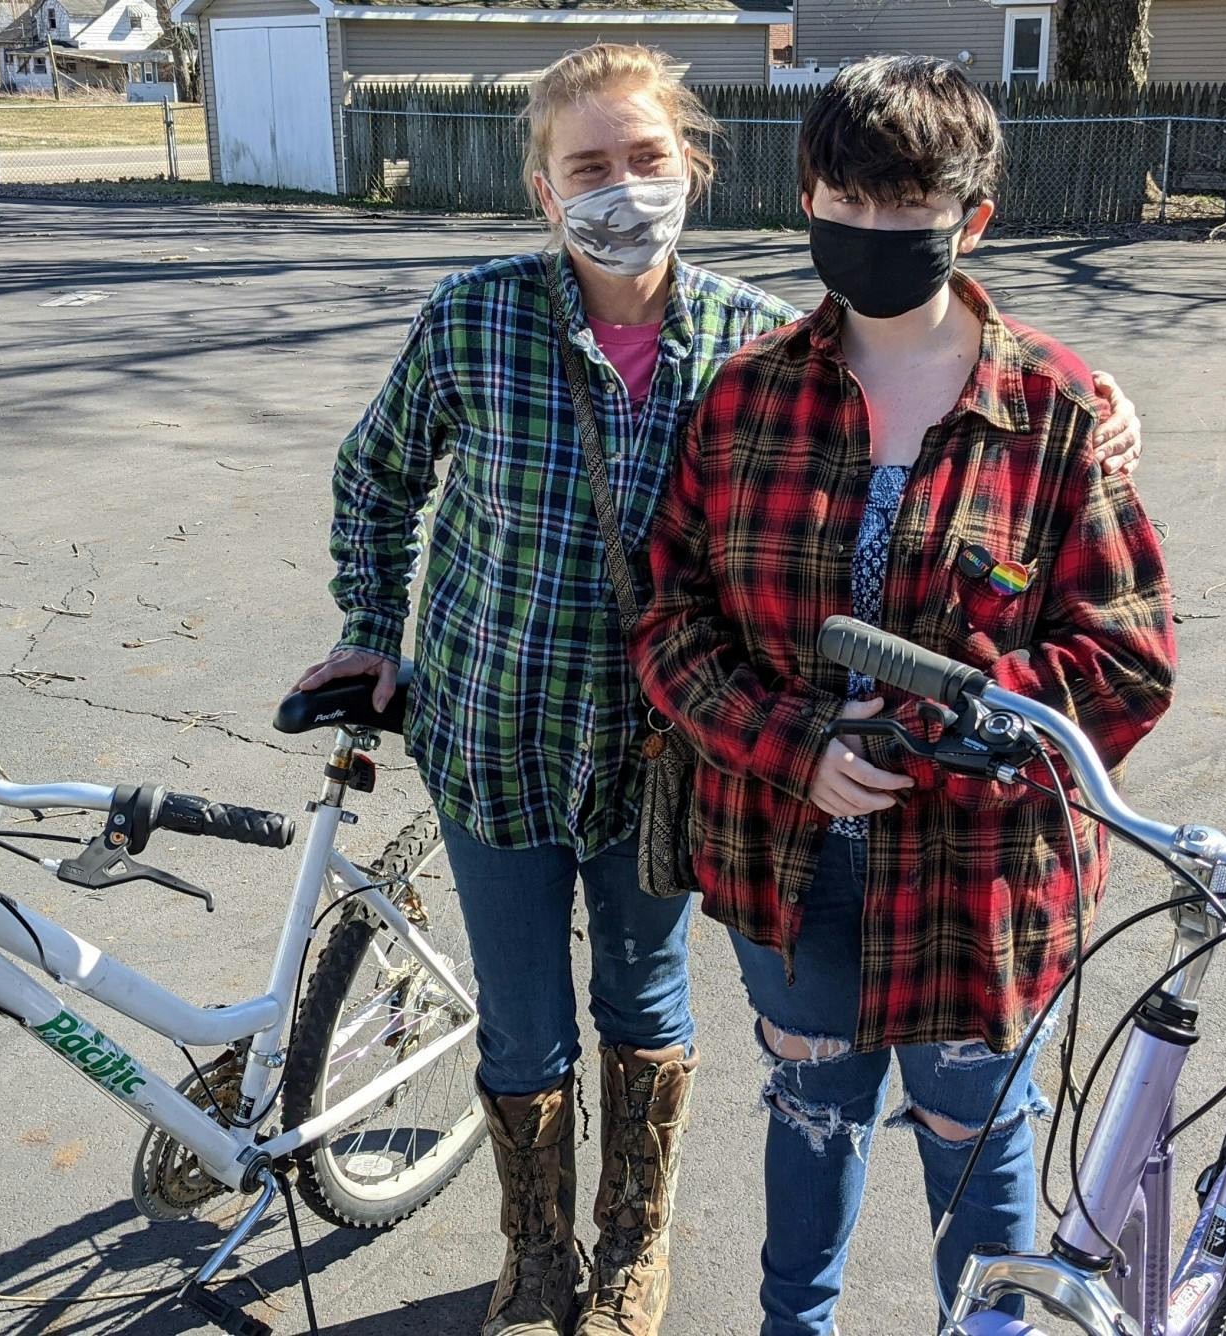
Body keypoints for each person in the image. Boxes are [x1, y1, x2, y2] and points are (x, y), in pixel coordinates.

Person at [297, 44, 1145, 1336]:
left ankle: (633, 1253)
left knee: (647, 1006)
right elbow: (378, 476)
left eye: (646, 160)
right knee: (525, 1030)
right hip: (497, 741)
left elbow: (924, 349)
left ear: (695, 168)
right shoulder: (476, 322)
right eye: (588, 167)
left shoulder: (754, 341)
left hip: (670, 768)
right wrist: (374, 628)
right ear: (542, 188)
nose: (620, 188)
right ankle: (537, 1255)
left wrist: (1092, 405)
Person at [628, 56, 1179, 1336]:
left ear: (970, 217)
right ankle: (792, 1323)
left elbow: (1124, 658)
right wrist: (796, 745)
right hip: (789, 860)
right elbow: (669, 618)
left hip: (978, 881)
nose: (871, 232)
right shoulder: (746, 398)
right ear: (808, 197)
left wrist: (922, 738)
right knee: (811, 1120)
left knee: (973, 1147)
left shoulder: (1053, 411)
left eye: (907, 206)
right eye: (845, 201)